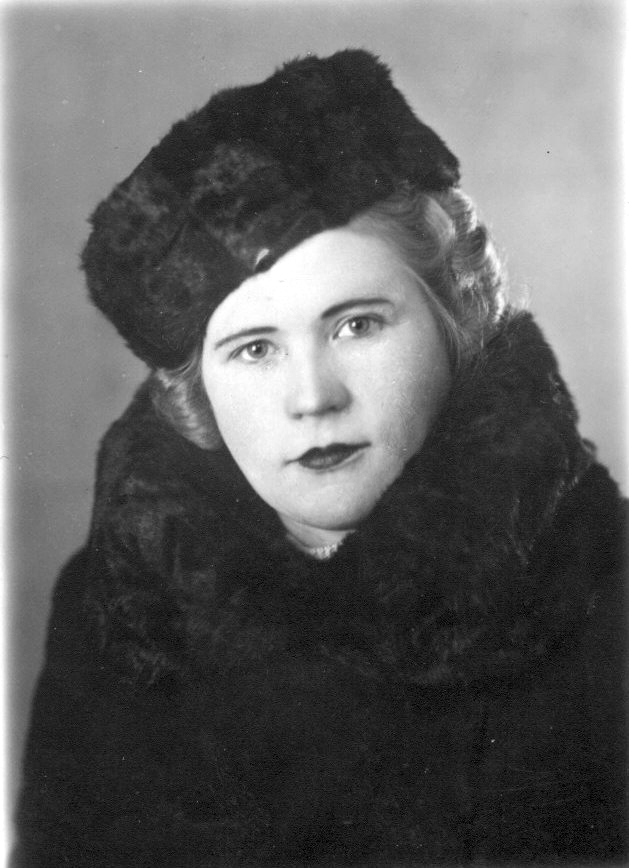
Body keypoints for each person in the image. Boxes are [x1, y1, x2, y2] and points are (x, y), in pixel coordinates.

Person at [14, 49, 625, 866]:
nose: (312, 396)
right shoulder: (117, 613)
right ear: (198, 395)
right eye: (254, 348)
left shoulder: (609, 582)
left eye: (356, 325)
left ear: (457, 322)